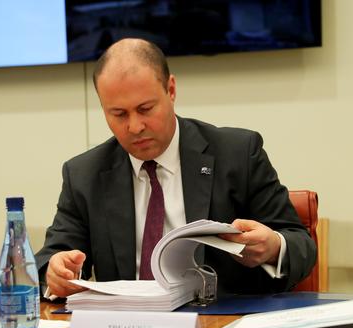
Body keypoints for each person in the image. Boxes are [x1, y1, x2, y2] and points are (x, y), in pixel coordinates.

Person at [34, 38, 316, 298]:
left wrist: (273, 247)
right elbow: (51, 257)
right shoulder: (85, 174)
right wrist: (55, 272)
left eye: (145, 109)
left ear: (171, 90)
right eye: (118, 114)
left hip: (221, 327)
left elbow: (301, 245)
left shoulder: (237, 153)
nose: (135, 127)